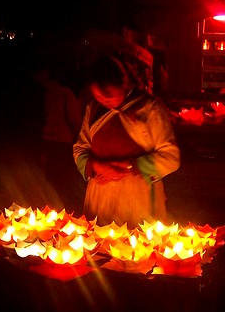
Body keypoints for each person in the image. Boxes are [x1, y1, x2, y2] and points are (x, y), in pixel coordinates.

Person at [73, 54, 180, 227]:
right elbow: (80, 149)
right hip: (100, 193)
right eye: (98, 97)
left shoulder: (149, 108)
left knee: (137, 248)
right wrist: (98, 166)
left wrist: (129, 166)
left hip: (138, 195)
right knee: (98, 246)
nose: (104, 101)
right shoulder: (93, 109)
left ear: (124, 83)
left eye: (108, 95)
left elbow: (171, 157)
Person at [32, 61, 85, 213]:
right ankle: (60, 214)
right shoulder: (64, 93)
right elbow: (75, 120)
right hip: (61, 143)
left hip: (44, 142)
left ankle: (48, 214)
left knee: (47, 181)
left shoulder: (39, 92)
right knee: (61, 183)